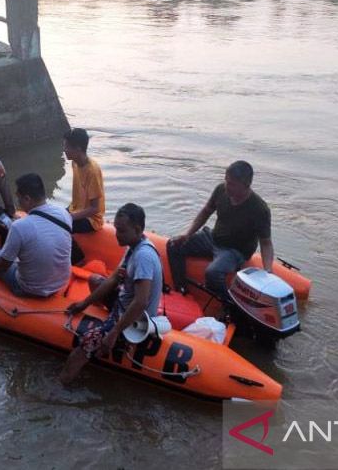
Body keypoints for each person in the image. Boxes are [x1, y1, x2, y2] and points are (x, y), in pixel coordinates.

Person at [59, 203, 163, 384]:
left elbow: (141, 302)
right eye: (116, 229)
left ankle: (61, 385)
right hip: (123, 301)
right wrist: (84, 304)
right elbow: (114, 279)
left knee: (80, 351)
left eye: (121, 231)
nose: (116, 235)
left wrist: (114, 332)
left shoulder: (143, 256)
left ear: (137, 229)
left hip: (135, 319)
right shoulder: (134, 246)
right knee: (95, 280)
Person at [167, 160, 273, 302]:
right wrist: (187, 235)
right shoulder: (221, 190)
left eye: (232, 184)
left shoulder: (259, 209)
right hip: (213, 237)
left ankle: (229, 305)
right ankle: (181, 290)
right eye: (226, 181)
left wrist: (267, 271)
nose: (227, 186)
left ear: (246, 184)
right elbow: (205, 212)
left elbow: (266, 243)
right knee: (173, 245)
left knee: (213, 273)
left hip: (235, 250)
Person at [0, 173, 72, 297]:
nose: (18, 202)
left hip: (30, 288)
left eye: (19, 198)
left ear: (27, 199)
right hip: (60, 282)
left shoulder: (19, 227)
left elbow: (3, 265)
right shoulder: (64, 214)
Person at [63, 128, 105, 265]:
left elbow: (95, 208)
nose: (64, 150)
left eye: (67, 147)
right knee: (53, 217)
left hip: (91, 219)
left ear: (78, 149)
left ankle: (78, 259)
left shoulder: (92, 170)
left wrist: (70, 217)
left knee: (61, 225)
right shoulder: (75, 163)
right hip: (76, 208)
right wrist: (69, 212)